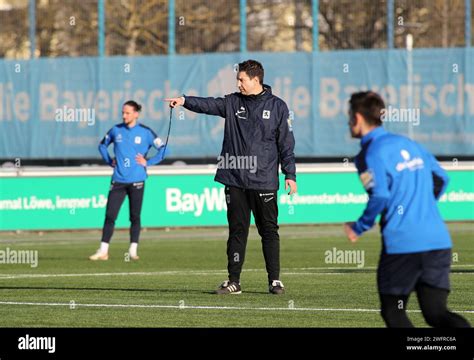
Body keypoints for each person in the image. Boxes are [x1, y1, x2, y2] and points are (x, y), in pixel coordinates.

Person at [165, 59, 297, 295]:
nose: (238, 84)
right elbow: (208, 105)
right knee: (237, 230)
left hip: (264, 180)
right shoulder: (232, 103)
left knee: (268, 230)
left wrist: (290, 174)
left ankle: (275, 280)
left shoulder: (278, 107)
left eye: (241, 80)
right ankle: (234, 281)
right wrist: (185, 101)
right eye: (237, 80)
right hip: (234, 178)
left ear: (255, 80)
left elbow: (286, 144)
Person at [344, 91, 470, 328]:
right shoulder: (409, 143)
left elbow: (380, 195)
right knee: (436, 314)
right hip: (437, 241)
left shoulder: (369, 154)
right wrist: (421, 206)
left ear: (358, 118)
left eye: (349, 116)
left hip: (403, 245)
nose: (348, 121)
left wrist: (359, 227)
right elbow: (442, 178)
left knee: (393, 312)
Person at [89, 100, 166, 261]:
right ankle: (103, 251)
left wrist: (148, 162)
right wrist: (109, 161)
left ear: (136, 114)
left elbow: (164, 149)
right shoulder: (116, 130)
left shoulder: (145, 132)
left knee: (134, 216)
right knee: (110, 215)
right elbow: (102, 146)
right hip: (118, 180)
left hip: (137, 180)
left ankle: (132, 250)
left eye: (127, 113)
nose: (124, 115)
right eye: (123, 112)